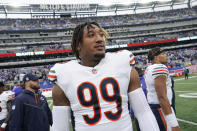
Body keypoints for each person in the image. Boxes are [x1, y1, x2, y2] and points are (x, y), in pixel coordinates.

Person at [49, 22, 159, 131]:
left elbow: (143, 112)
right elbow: (60, 128)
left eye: (101, 35)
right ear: (78, 45)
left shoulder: (122, 62)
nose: (100, 39)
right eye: (91, 35)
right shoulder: (63, 74)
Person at [144, 47, 180, 131]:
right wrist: (173, 122)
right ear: (156, 57)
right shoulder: (159, 68)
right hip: (161, 109)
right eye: (163, 54)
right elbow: (162, 97)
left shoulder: (149, 68)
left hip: (156, 107)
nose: (166, 56)